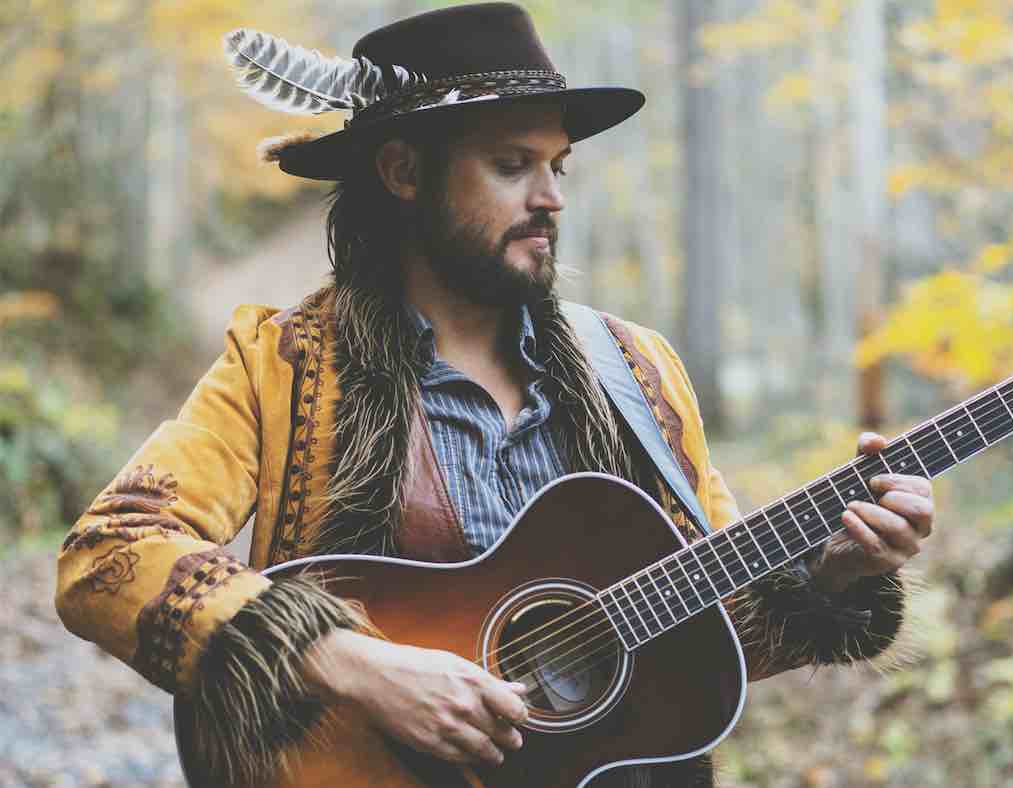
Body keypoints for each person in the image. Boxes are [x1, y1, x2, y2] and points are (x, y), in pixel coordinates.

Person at [54, 4, 934, 787]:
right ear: (403, 172)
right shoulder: (283, 367)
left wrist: (830, 576)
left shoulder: (638, 372)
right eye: (513, 164)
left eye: (559, 166)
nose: (550, 198)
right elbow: (109, 556)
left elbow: (697, 649)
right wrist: (354, 662)